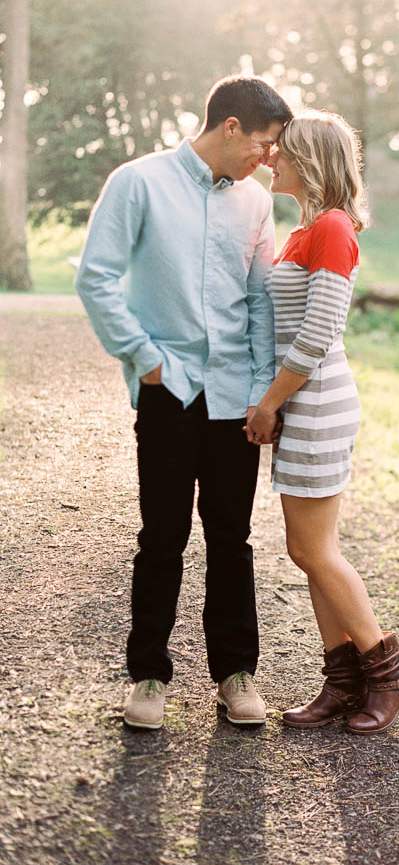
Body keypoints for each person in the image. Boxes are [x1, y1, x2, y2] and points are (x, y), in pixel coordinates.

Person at [75, 75, 292, 731]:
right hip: (167, 391)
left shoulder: (255, 202)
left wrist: (263, 391)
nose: (269, 159)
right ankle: (148, 674)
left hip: (234, 395)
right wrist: (144, 358)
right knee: (161, 535)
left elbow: (258, 299)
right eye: (263, 143)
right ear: (230, 128)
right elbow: (96, 276)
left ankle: (235, 673)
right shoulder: (137, 182)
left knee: (233, 538)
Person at [245, 110, 399, 735]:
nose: (272, 160)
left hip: (316, 400)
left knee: (311, 549)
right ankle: (342, 682)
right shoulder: (304, 230)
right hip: (303, 400)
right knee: (310, 551)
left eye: (283, 152)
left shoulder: (334, 228)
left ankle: (390, 674)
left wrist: (269, 402)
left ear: (312, 161)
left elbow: (319, 333)